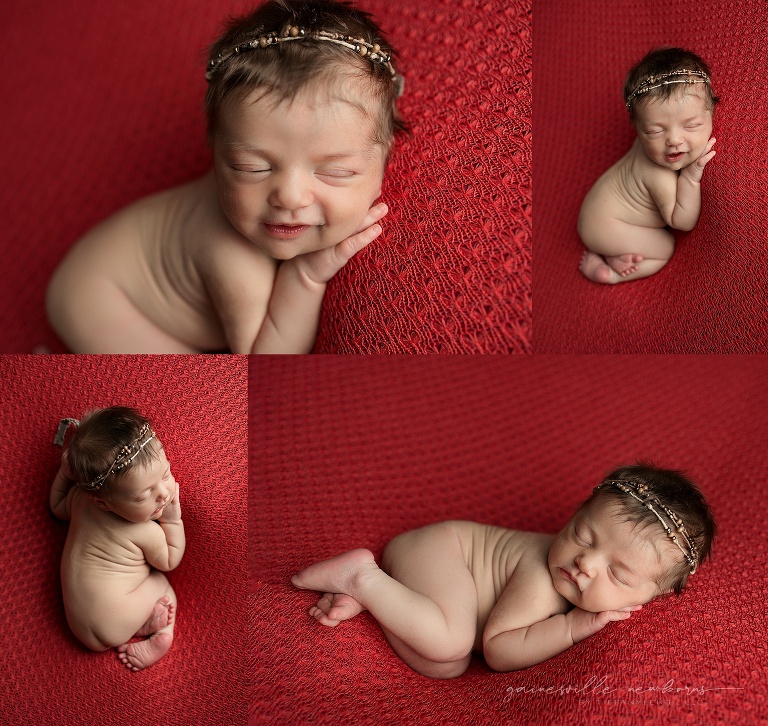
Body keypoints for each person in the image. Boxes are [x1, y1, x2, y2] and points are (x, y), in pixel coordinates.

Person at [46, 0, 405, 353]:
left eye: (335, 171)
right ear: (215, 153)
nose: (290, 197)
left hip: (103, 272)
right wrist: (305, 277)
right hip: (97, 297)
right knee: (181, 379)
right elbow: (267, 358)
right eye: (251, 168)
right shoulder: (231, 253)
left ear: (387, 152)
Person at [292, 464, 715, 677]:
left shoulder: (574, 574)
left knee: (446, 666)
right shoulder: (543, 577)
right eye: (582, 536)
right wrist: (572, 629)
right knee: (452, 642)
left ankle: (380, 596)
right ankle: (363, 577)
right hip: (440, 550)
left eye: (619, 576)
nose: (584, 563)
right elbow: (497, 651)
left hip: (442, 576)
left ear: (650, 597)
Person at [50, 407, 185, 672]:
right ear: (103, 502)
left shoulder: (78, 500)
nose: (163, 494)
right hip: (115, 619)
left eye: (166, 474)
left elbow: (55, 507)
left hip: (78, 624)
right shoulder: (144, 530)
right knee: (161, 583)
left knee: (126, 606)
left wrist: (65, 474)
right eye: (142, 496)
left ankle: (140, 624)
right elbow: (169, 560)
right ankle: (160, 635)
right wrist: (171, 520)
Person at [578, 48, 717, 284]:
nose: (673, 140)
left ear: (712, 112)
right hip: (604, 226)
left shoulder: (651, 145)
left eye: (691, 125)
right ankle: (609, 274)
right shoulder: (657, 174)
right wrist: (691, 178)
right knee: (664, 246)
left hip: (597, 214)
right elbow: (682, 222)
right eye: (655, 131)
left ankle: (617, 255)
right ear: (638, 130)